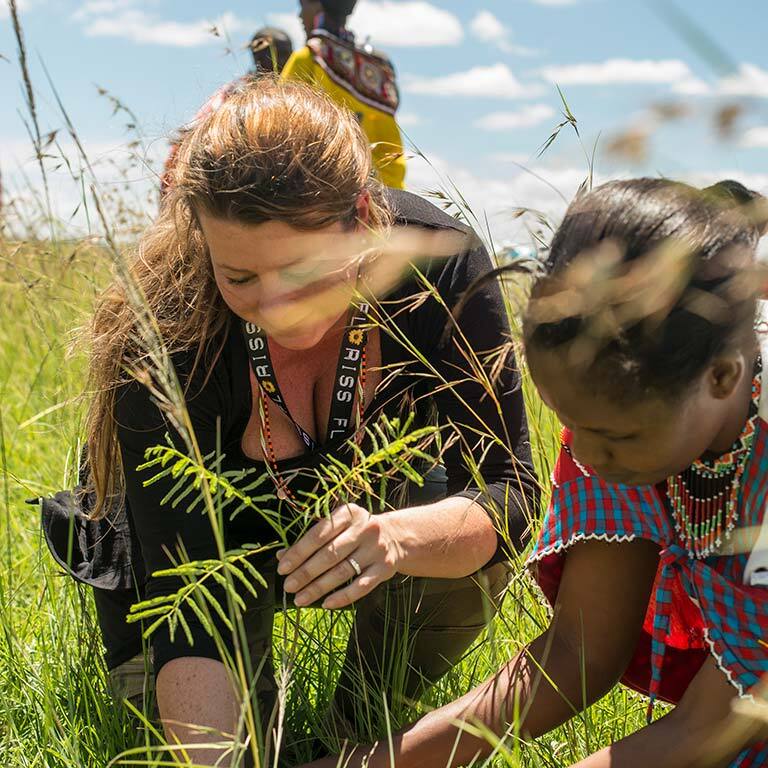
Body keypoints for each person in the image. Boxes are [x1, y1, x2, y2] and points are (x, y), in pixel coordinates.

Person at [40, 78, 538, 766]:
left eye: (305, 271)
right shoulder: (163, 330)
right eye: (239, 277)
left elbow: (511, 498)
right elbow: (188, 598)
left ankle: (364, 719)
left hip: (374, 522)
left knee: (459, 556)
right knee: (199, 745)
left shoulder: (439, 268)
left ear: (364, 220)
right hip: (190, 564)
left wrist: (397, 539)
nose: (274, 307)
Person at [300, 178, 768, 768]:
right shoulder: (629, 431)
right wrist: (373, 763)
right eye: (574, 425)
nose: (590, 460)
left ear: (723, 379)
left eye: (615, 438)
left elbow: (717, 726)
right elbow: (576, 653)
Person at [282, 0, 407, 190]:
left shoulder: (308, 59)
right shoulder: (375, 70)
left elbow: (280, 128)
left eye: (303, 5)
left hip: (322, 193)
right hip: (380, 193)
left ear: (319, 7)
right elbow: (391, 151)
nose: (300, 15)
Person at [159, 27, 293, 196]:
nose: (287, 59)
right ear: (257, 56)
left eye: (288, 53)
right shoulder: (236, 93)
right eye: (280, 53)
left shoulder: (295, 94)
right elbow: (196, 132)